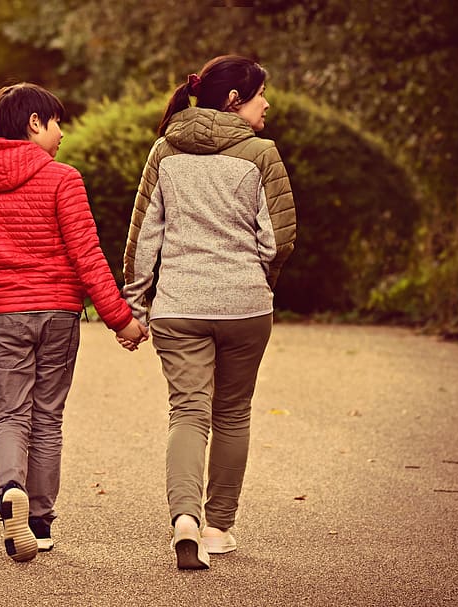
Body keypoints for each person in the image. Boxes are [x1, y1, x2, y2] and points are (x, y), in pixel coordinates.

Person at [0, 82, 148, 563]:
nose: (63, 132)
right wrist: (121, 320)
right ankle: (39, 523)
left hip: (2, 312)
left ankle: (9, 495)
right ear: (34, 124)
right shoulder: (63, 179)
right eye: (57, 121)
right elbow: (87, 256)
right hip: (58, 314)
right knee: (46, 417)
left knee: (9, 414)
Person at [121, 55, 296, 570]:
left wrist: (135, 304)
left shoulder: (164, 151)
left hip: (178, 307)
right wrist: (258, 279)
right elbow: (278, 239)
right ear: (235, 100)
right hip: (244, 307)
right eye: (262, 93)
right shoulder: (262, 154)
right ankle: (219, 528)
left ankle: (184, 521)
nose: (269, 102)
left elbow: (143, 235)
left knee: (188, 412)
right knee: (232, 413)